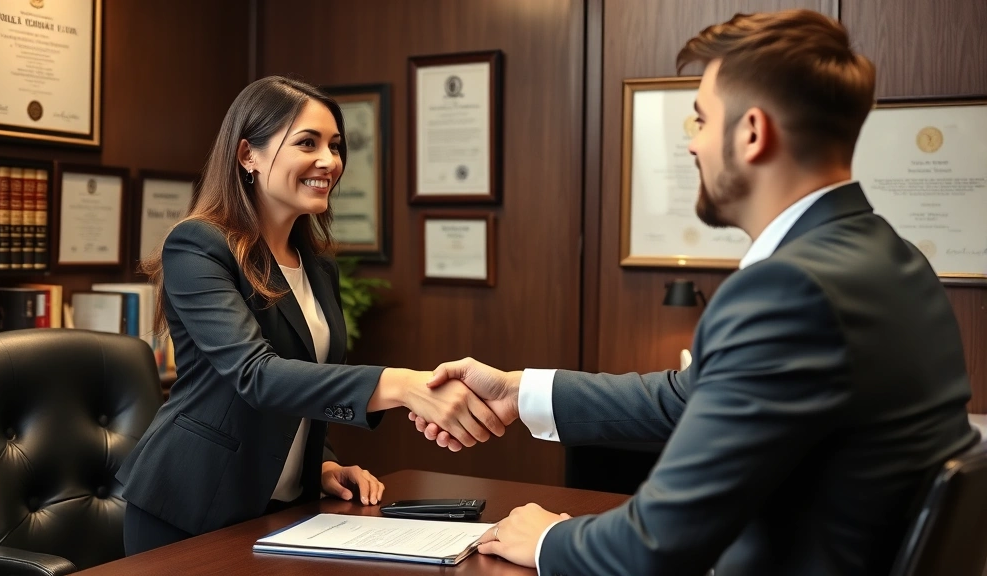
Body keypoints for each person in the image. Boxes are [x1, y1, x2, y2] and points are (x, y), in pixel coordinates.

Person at [412, 10, 978, 576]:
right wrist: (520, 392)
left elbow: (654, 546)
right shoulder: (893, 258)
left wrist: (548, 539)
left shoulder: (786, 291)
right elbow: (694, 395)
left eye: (701, 121)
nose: (692, 146)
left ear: (752, 133)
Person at [117, 76, 505, 555]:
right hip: (189, 509)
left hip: (278, 513)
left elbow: (303, 381)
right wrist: (401, 385)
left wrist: (318, 463)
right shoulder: (198, 245)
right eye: (308, 143)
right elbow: (256, 375)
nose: (330, 161)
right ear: (247, 156)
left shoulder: (318, 267)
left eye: (336, 146)